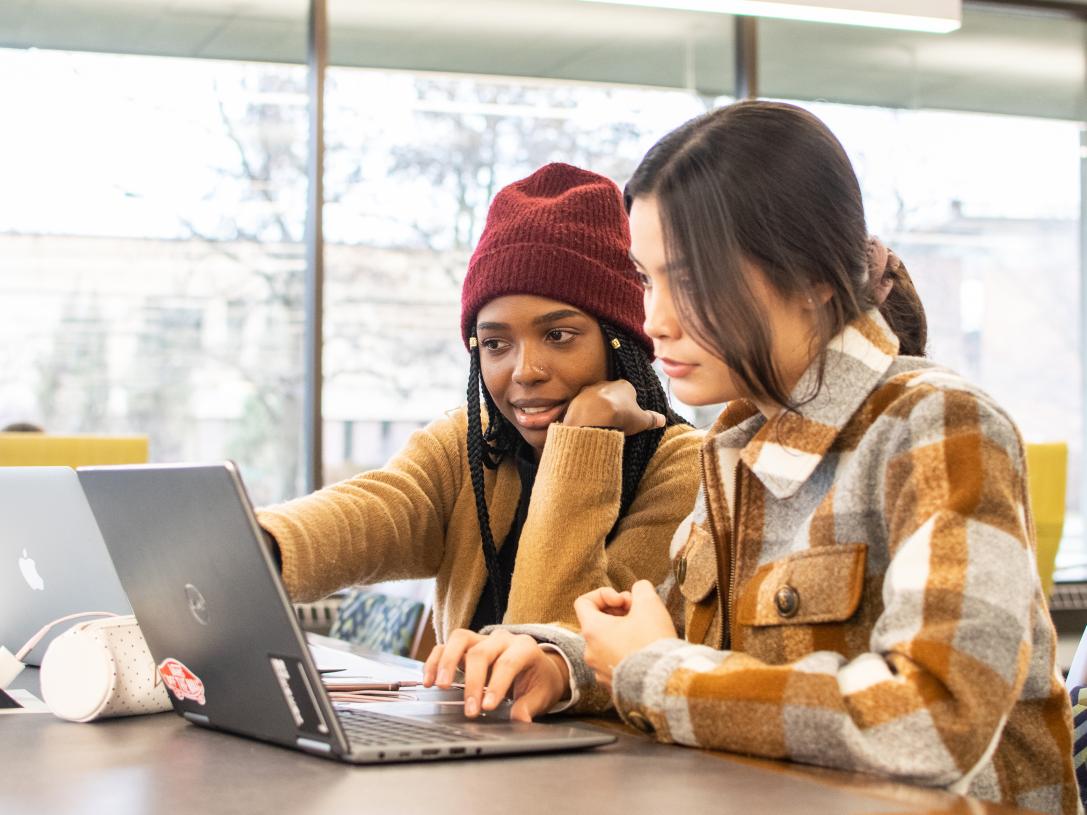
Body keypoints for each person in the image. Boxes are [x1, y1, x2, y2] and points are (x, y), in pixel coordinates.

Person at [425, 102, 1078, 814]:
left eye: (691, 281)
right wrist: (561, 659)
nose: (653, 322)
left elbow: (935, 721)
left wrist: (650, 671)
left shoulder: (939, 424)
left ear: (811, 277)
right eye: (646, 280)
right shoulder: (736, 445)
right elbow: (668, 642)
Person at [258, 162, 702, 641]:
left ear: (621, 341)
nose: (524, 371)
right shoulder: (471, 445)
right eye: (495, 344)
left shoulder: (686, 470)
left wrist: (582, 442)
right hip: (466, 716)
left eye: (558, 335)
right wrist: (257, 544)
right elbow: (374, 513)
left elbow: (552, 638)